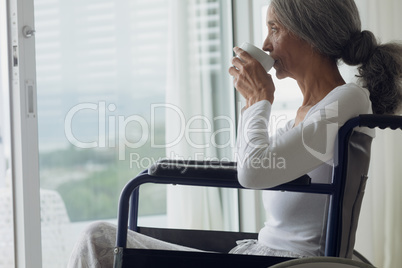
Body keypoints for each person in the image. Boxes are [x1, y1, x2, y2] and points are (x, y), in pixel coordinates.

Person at [68, 0, 402, 267]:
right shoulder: (304, 117)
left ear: (309, 33)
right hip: (258, 255)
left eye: (274, 28)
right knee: (102, 241)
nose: (266, 44)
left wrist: (258, 99)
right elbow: (254, 165)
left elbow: (253, 171)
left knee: (97, 239)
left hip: (289, 262)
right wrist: (253, 104)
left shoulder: (348, 99)